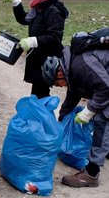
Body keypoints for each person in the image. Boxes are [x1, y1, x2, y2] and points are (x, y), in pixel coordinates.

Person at [41, 45, 109, 187]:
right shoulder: (72, 67)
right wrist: (61, 123)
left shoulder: (80, 66)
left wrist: (88, 111)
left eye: (56, 84)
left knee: (102, 119)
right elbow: (73, 95)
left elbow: (105, 89)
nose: (59, 87)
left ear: (59, 73)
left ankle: (91, 174)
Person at [0, 0, 69, 98]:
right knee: (38, 93)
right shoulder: (38, 8)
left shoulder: (53, 11)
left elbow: (55, 38)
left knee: (40, 93)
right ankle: (39, 115)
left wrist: (33, 41)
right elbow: (24, 19)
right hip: (37, 57)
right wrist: (17, 3)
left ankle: (41, 116)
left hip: (47, 60)